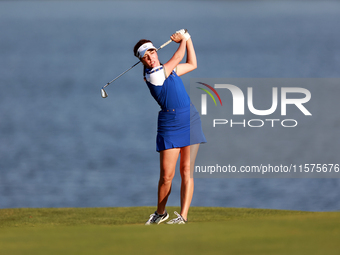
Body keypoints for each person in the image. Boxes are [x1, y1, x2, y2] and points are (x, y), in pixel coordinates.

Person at [133, 29, 206, 225]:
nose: (150, 58)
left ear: (156, 52)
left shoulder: (168, 69)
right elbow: (179, 55)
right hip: (170, 124)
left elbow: (192, 63)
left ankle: (183, 217)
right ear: (142, 61)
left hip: (189, 118)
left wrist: (188, 39)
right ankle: (161, 212)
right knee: (167, 176)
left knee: (186, 171)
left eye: (152, 53)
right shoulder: (154, 75)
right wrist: (183, 39)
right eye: (146, 57)